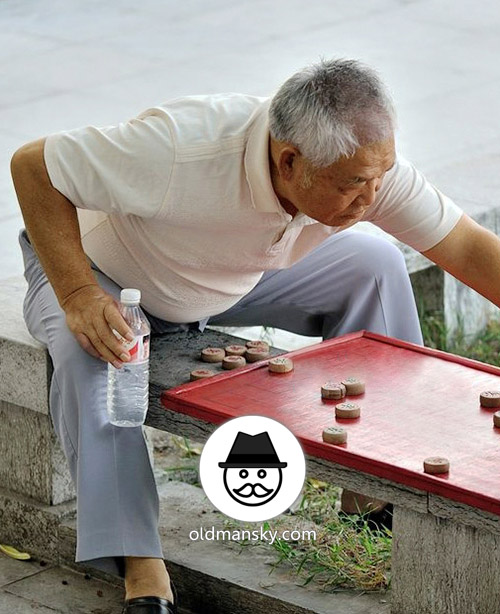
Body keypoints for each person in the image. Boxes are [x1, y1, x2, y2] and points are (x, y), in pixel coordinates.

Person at [11, 58, 500, 613]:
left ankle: (370, 499)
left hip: (226, 276)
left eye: (379, 175)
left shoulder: (360, 167)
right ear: (289, 161)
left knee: (375, 262)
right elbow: (34, 165)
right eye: (354, 185)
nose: (372, 197)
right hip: (109, 275)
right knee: (93, 358)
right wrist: (76, 294)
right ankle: (140, 564)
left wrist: (365, 183)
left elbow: (465, 247)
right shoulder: (180, 148)